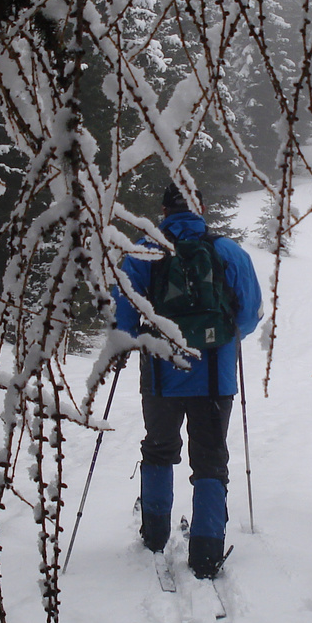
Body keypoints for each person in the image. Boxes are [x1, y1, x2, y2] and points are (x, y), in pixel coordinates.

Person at [114, 182, 263, 578]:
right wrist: (219, 339)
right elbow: (248, 315)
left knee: (159, 450)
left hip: (162, 376)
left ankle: (155, 532)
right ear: (201, 208)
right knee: (210, 460)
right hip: (215, 377)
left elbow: (124, 315)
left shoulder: (144, 251)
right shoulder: (227, 251)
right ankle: (207, 549)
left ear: (164, 210)